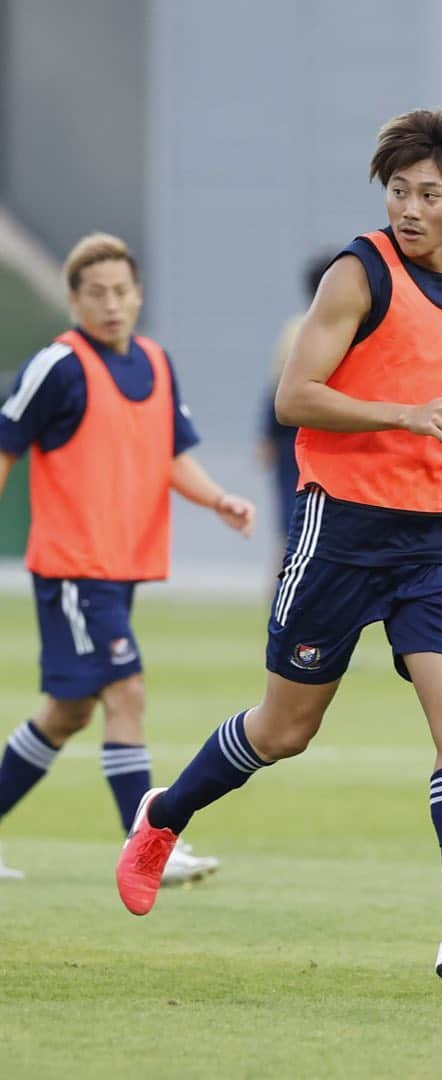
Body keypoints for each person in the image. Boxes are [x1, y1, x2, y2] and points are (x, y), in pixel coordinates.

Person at [115, 109, 442, 987]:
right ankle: (165, 814)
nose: (410, 207)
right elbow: (295, 397)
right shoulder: (358, 275)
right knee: (285, 729)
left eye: (429, 193)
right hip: (342, 530)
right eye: (398, 190)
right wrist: (403, 416)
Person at [0, 232, 254, 882]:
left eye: (122, 291)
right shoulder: (57, 366)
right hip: (73, 567)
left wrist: (218, 499)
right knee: (126, 691)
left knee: (67, 712)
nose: (112, 304)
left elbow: (171, 455)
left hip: (122, 568)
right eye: (97, 293)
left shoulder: (155, 362)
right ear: (74, 299)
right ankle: (144, 848)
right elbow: (6, 444)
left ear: (138, 295)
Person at [259, 254, 333, 553]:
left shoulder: (294, 328)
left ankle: (280, 593)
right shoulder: (312, 330)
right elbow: (281, 392)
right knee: (296, 525)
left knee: (290, 527)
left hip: (295, 436)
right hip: (306, 436)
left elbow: (274, 388)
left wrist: (265, 437)